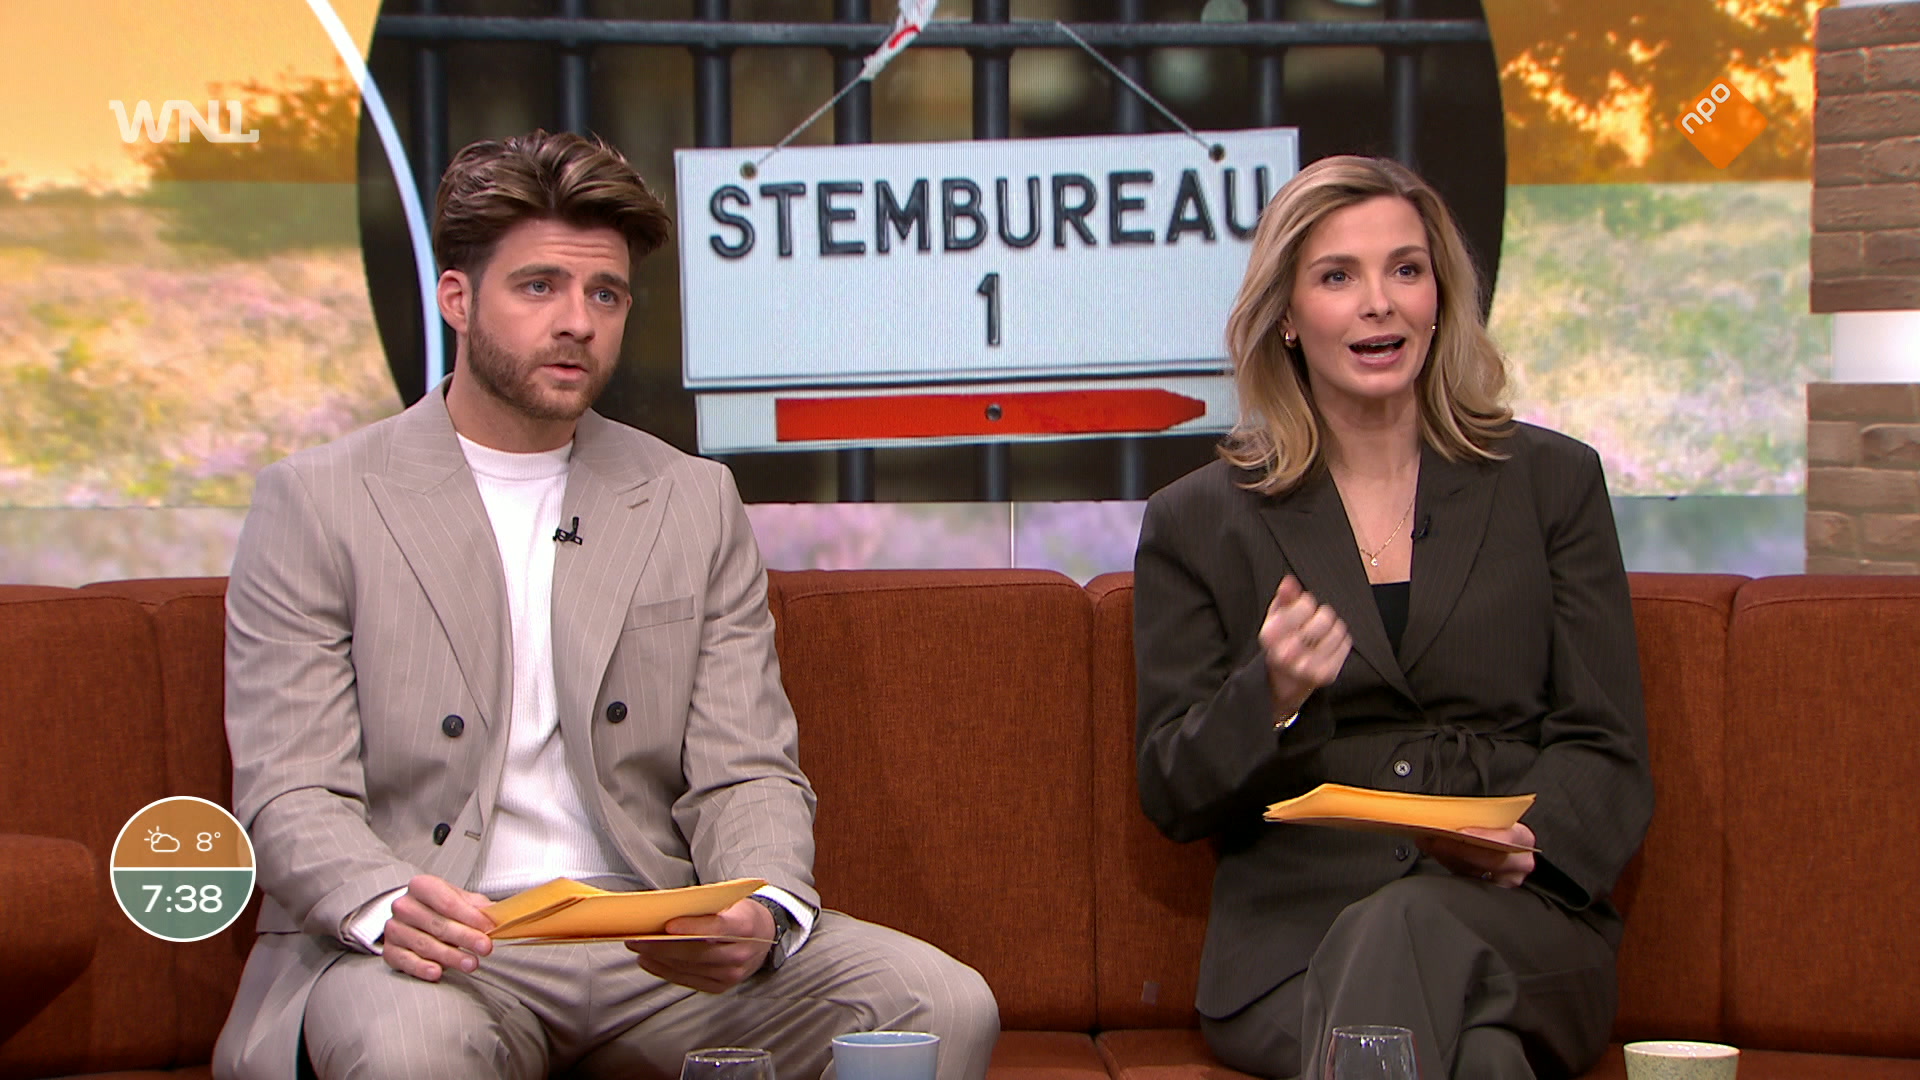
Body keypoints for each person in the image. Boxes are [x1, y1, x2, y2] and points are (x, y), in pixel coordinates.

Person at [213, 130, 998, 1080]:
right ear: (457, 298)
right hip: (439, 944)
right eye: (539, 286)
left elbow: (746, 766)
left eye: (605, 295)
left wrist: (759, 908)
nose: (577, 322)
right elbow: (291, 787)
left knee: (939, 1002)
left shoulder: (689, 497)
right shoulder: (318, 500)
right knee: (409, 1047)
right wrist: (384, 903)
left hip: (649, 941)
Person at [1132, 155, 1651, 1080]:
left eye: (1406, 270)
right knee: (1480, 1058)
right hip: (1296, 945)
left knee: (1414, 931)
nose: (1380, 303)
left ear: (1439, 298)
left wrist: (1529, 843)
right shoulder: (1200, 521)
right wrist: (1271, 695)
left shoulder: (1552, 483)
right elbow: (1172, 790)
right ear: (1287, 317)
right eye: (1339, 277)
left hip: (1517, 922)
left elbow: (1605, 743)